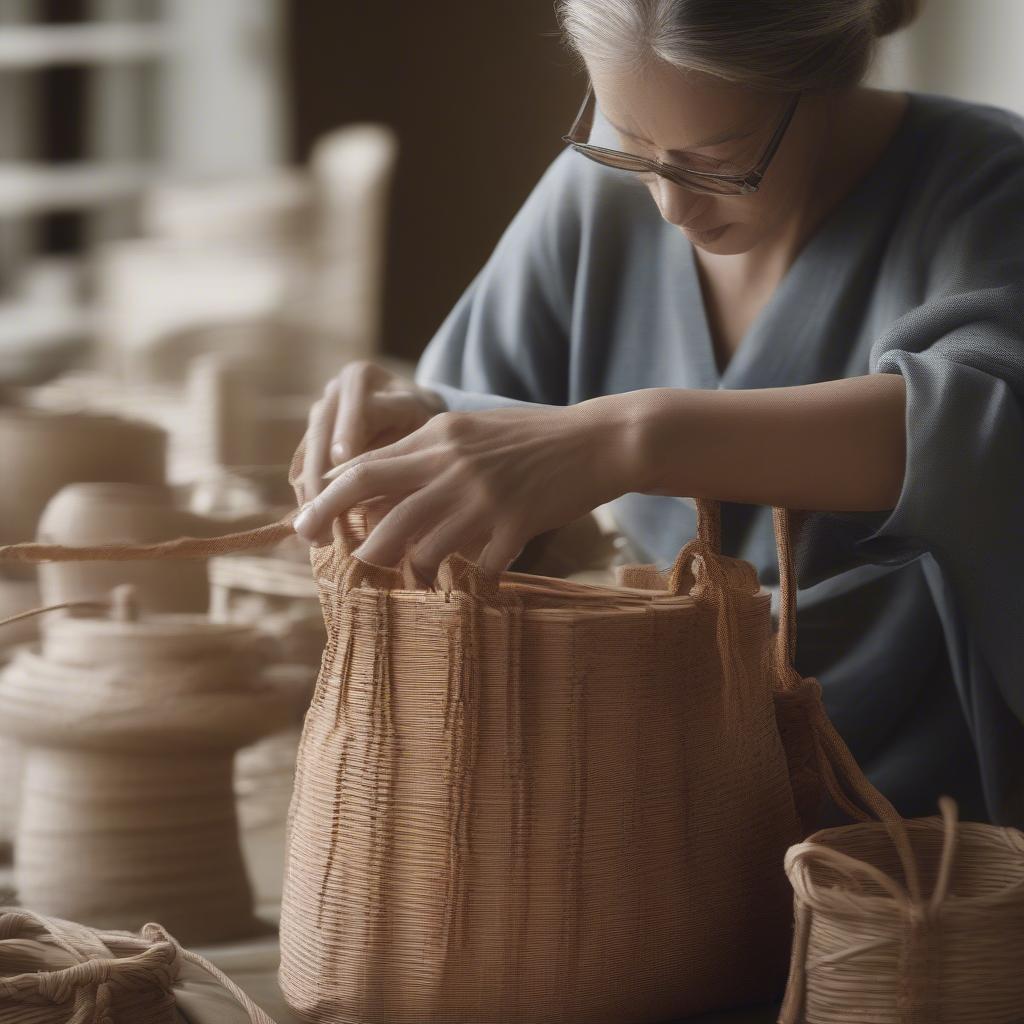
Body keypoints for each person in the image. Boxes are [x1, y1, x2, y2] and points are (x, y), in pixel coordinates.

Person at [294, 0, 1024, 828]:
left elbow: (984, 428)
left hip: (908, 832)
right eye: (630, 148)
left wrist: (627, 438)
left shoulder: (987, 184)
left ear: (821, 82)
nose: (670, 207)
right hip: (635, 787)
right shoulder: (597, 191)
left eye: (717, 162)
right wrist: (408, 420)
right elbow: (480, 423)